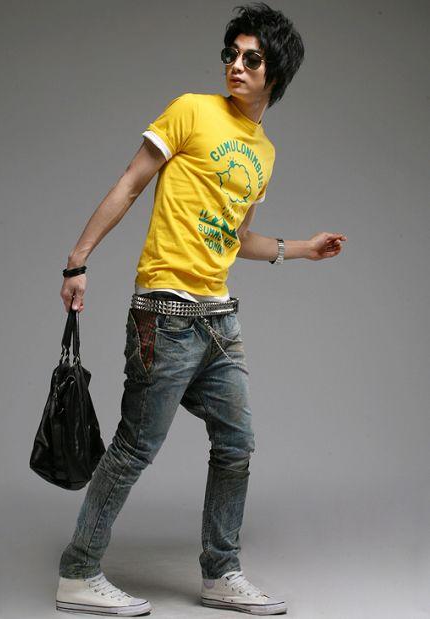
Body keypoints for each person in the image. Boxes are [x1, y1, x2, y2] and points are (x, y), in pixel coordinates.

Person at [55, 2, 347, 616]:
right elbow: (131, 182)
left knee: (237, 443)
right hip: (164, 312)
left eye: (251, 58)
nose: (235, 65)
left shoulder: (265, 154)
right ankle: (78, 573)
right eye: (231, 54)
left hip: (219, 320)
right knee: (135, 447)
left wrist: (302, 249)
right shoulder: (191, 110)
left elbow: (235, 238)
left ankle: (221, 574)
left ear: (275, 73)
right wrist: (78, 260)